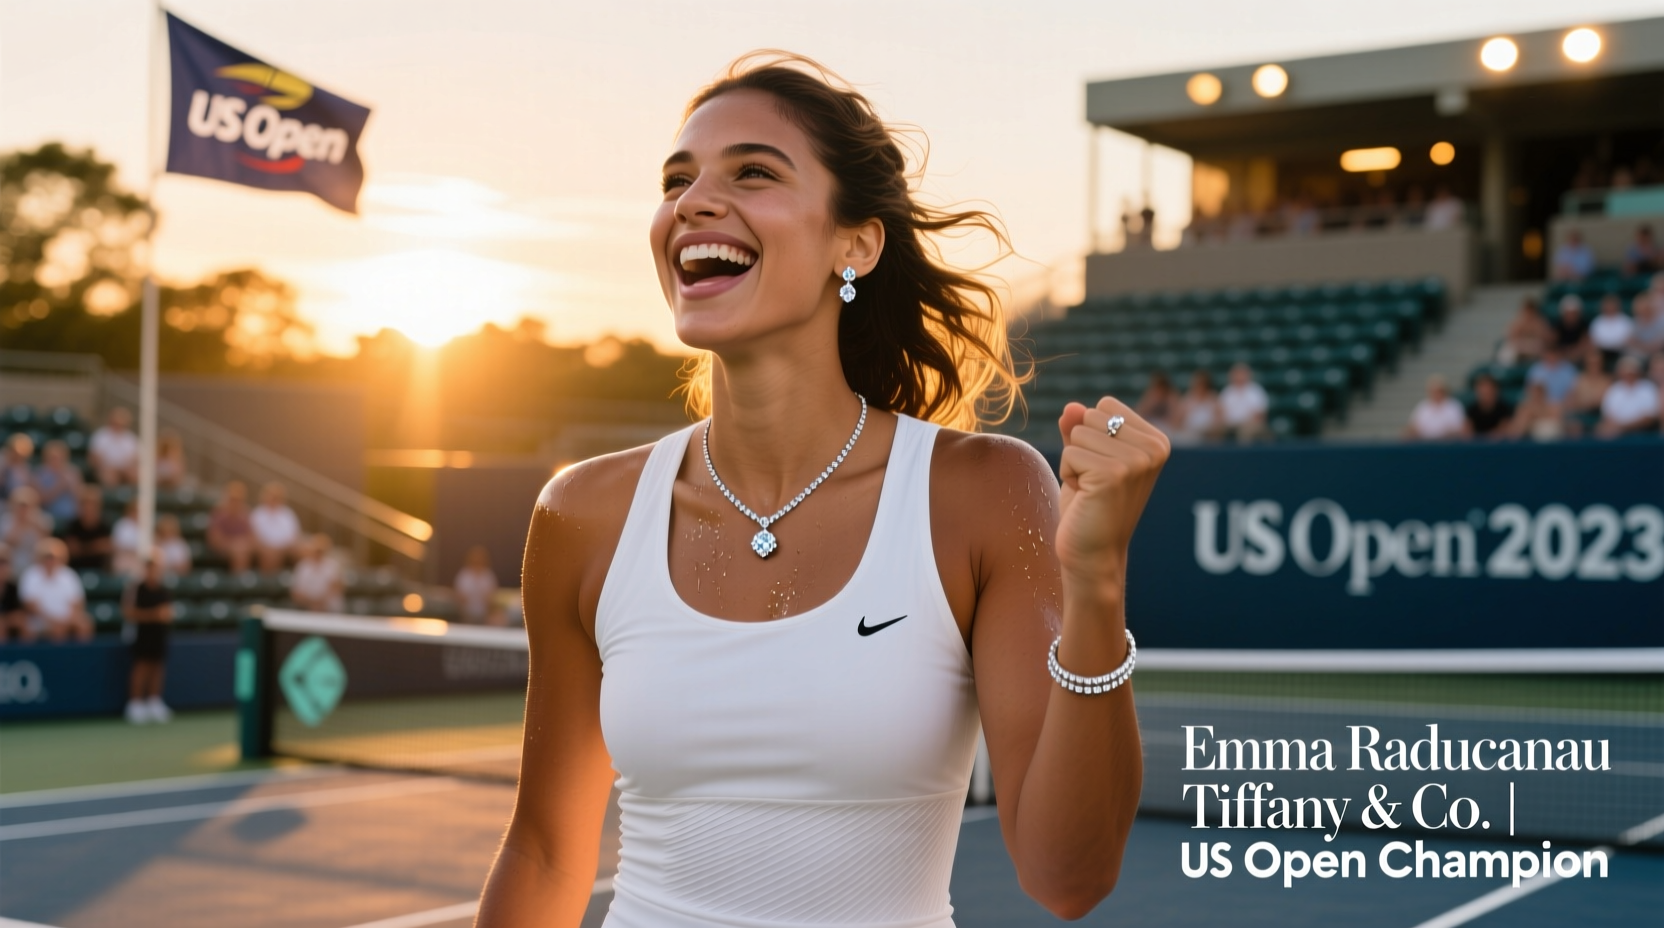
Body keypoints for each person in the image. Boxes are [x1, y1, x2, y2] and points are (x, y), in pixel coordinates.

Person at [476, 55, 1160, 927]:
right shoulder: (582, 512)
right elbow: (542, 850)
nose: (694, 201)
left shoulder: (981, 493)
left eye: (753, 172)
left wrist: (1097, 581)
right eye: (676, 180)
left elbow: (1070, 875)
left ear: (857, 243)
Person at [121, 553, 175, 723]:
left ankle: (154, 702)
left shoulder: (164, 589)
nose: (153, 571)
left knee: (157, 667)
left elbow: (167, 613)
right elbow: (128, 612)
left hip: (159, 634)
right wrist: (153, 615)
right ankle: (135, 704)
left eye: (156, 567)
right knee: (141, 667)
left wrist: (162, 616)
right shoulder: (136, 588)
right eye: (150, 567)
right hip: (141, 634)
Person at [19, 538, 91, 643]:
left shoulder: (69, 575)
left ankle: (83, 656)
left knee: (84, 624)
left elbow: (78, 604)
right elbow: (30, 606)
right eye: (47, 557)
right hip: (39, 620)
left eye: (53, 557)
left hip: (66, 619)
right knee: (56, 630)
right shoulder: (31, 575)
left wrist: (67, 620)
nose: (50, 560)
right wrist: (52, 621)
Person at [1596, 356, 1660, 438]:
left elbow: (1648, 419)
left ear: (1638, 372)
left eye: (1631, 372)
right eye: (1625, 372)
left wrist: (1622, 427)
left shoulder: (1648, 388)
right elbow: (1608, 417)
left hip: (1642, 435)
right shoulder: (1614, 389)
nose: (1628, 375)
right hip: (1617, 435)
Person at [250, 482, 302, 573]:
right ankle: (268, 583)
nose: (274, 499)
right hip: (265, 548)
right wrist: (269, 549)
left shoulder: (288, 513)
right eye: (272, 496)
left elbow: (295, 536)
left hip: (285, 548)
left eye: (277, 497)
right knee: (269, 555)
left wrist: (282, 548)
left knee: (305, 552)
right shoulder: (257, 514)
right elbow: (254, 537)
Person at [1, 487, 54, 574]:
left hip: (35, 562)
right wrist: (19, 525)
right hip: (12, 563)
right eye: (20, 505)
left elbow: (46, 544)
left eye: (27, 505)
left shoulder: (43, 520)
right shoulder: (6, 520)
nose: (23, 509)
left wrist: (34, 525)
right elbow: (6, 545)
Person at [59, 487, 112, 571]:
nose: (89, 509)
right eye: (86, 505)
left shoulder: (105, 525)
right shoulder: (72, 525)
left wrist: (83, 547)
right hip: (76, 569)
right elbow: (73, 550)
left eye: (92, 505)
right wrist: (94, 547)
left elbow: (107, 548)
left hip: (101, 570)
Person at [208, 480, 255, 573]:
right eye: (232, 499)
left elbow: (252, 538)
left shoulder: (246, 514)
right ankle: (239, 583)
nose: (235, 502)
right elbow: (215, 540)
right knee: (239, 554)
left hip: (242, 548)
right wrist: (234, 545)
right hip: (222, 550)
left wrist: (242, 544)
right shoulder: (219, 513)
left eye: (238, 499)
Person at [32, 439, 83, 524]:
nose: (57, 460)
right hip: (48, 519)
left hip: (72, 518)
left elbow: (79, 497)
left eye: (60, 457)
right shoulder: (39, 474)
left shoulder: (73, 472)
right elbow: (41, 500)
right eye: (53, 457)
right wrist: (59, 486)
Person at [289, 533, 344, 613]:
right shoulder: (303, 566)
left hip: (329, 610)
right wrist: (312, 603)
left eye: (321, 550)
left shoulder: (333, 566)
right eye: (317, 550)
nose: (319, 553)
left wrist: (320, 602)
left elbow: (337, 588)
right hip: (307, 608)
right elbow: (296, 593)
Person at [1404, 374, 1468, 440]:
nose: (1436, 394)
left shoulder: (1454, 406)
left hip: (1449, 444)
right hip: (1426, 444)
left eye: (1439, 391)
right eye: (1433, 391)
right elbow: (1412, 427)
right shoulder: (1422, 406)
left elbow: (1463, 430)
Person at [89, 406, 140, 487]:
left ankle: (134, 498)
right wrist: (107, 467)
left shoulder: (131, 438)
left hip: (126, 469)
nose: (118, 425)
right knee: (110, 477)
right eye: (116, 423)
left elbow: (136, 458)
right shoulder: (101, 436)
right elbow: (94, 458)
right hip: (106, 468)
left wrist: (129, 467)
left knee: (138, 475)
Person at [1218, 362, 1268, 443]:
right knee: (1215, 431)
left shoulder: (1256, 391)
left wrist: (1246, 423)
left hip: (1250, 424)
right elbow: (1220, 413)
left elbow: (1259, 416)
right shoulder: (1226, 392)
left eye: (1241, 373)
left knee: (1244, 432)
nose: (1239, 376)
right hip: (1229, 424)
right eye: (1236, 374)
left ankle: (1244, 455)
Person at [454, 544, 502, 626]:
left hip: (484, 617)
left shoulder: (488, 575)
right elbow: (459, 596)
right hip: (467, 616)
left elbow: (491, 597)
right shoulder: (464, 575)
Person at [1563, 343, 1613, 420]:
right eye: (1591, 363)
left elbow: (1606, 402)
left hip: (1599, 416)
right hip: (1580, 414)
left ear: (1601, 363)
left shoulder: (1607, 380)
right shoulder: (1579, 379)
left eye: (1597, 363)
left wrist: (1586, 403)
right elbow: (1570, 399)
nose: (1594, 365)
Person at [1173, 369, 1222, 445]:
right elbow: (1177, 421)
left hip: (1208, 435)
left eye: (1201, 384)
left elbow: (1219, 421)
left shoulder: (1213, 399)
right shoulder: (1187, 399)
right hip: (1189, 434)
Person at [1498, 296, 1550, 365]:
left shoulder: (1539, 322)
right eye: (1526, 310)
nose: (1529, 313)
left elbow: (1546, 339)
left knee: (1542, 348)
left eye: (1530, 310)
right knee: (1508, 351)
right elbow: (1511, 338)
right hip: (1518, 347)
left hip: (1534, 350)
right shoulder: (1518, 321)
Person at [1588, 294, 1635, 368]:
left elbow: (1628, 341)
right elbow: (1594, 342)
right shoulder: (1596, 322)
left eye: (1612, 305)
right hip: (1602, 353)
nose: (1610, 307)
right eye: (1607, 305)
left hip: (1621, 352)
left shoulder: (1626, 321)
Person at [1466, 372, 1514, 439]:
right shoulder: (1471, 410)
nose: (1485, 393)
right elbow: (1467, 433)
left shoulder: (1505, 408)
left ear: (1495, 390)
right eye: (1482, 390)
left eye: (1488, 389)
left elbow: (1504, 430)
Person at [0, 546, 31, 644]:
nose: (2, 568)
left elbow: (18, 611)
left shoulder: (13, 587)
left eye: (4, 564)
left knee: (22, 622)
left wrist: (7, 618)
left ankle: (27, 655)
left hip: (7, 619)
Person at [154, 512, 193, 577]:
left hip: (177, 578)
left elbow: (186, 567)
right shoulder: (156, 543)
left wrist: (170, 567)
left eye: (170, 530)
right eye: (165, 530)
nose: (167, 533)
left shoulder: (181, 544)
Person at [1628, 293, 1664, 357]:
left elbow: (1657, 346)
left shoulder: (1661, 322)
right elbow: (1629, 341)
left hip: (1657, 355)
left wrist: (1639, 345)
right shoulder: (1637, 321)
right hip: (1639, 355)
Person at [1, 433, 34, 502]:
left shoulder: (25, 466)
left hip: (16, 501)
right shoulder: (2, 460)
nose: (19, 456)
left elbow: (28, 487)